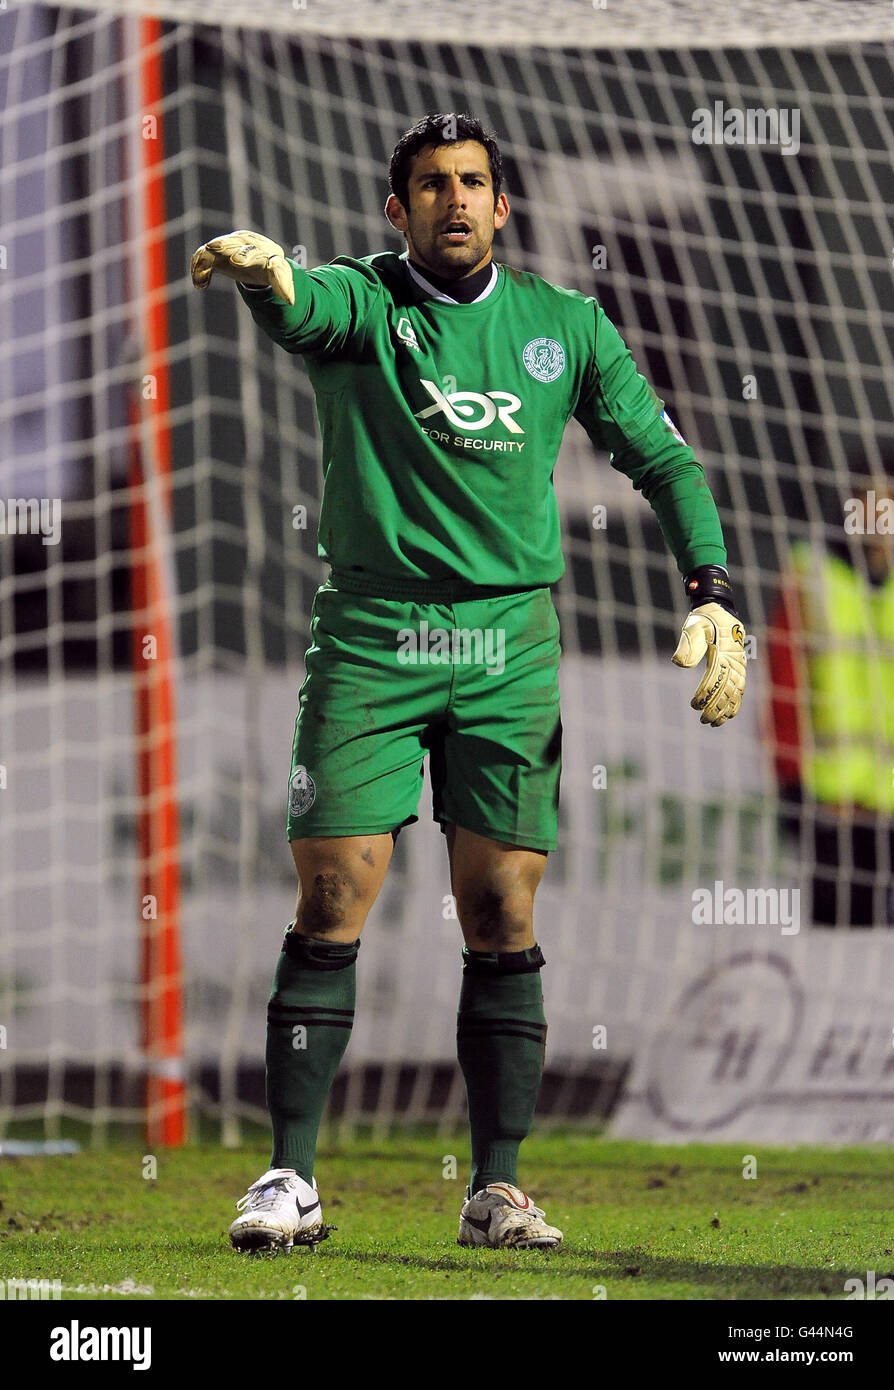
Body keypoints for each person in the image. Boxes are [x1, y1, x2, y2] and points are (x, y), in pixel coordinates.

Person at [190, 112, 746, 1252]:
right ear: (398, 211)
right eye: (432, 185)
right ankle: (291, 1179)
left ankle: (496, 1189)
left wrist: (713, 586)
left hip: (507, 646)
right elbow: (306, 304)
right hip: (374, 633)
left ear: (504, 206)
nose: (455, 200)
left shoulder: (565, 326)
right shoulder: (364, 304)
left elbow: (665, 456)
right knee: (334, 891)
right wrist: (269, 279)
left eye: (475, 183)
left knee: (500, 910)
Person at [768, 473, 894, 927]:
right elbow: (784, 686)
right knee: (842, 951)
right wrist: (792, 780)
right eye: (867, 505)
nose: (877, 520)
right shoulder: (813, 575)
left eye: (888, 505)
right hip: (835, 804)